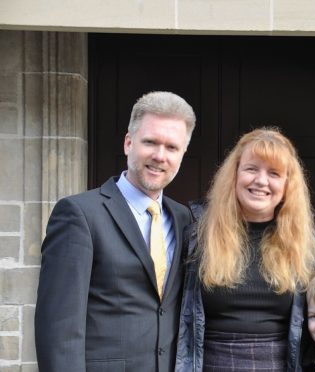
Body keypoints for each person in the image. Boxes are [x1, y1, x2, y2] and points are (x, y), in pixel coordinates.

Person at [35, 91, 197, 372]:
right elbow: (58, 328)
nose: (160, 156)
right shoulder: (79, 214)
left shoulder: (184, 219)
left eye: (172, 147)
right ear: (128, 143)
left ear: (183, 154)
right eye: (150, 142)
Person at [175, 127, 315, 372]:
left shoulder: (304, 245)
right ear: (234, 175)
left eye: (274, 173)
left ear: (287, 185)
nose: (261, 181)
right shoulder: (197, 235)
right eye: (251, 169)